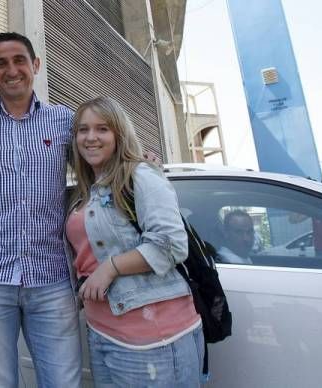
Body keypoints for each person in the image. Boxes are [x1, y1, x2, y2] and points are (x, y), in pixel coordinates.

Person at [0, 32, 81, 387]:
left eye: (19, 61)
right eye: (1, 64)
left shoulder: (64, 121)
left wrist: (140, 161)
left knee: (62, 381)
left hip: (52, 277)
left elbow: (98, 168)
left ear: (35, 65)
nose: (11, 70)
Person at [66, 96, 204, 387]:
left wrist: (110, 268)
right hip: (103, 332)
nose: (91, 137)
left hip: (154, 338)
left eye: (102, 129)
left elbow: (171, 243)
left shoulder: (140, 175)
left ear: (119, 133)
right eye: (83, 129)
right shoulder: (85, 192)